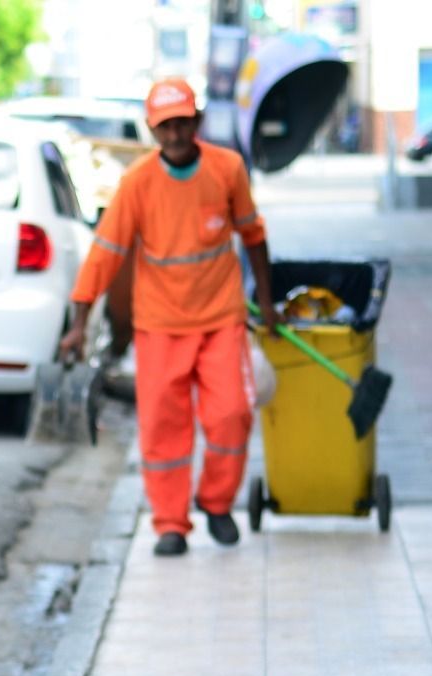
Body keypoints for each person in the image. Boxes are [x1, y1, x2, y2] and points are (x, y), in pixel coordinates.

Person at [59, 79, 280, 557]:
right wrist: (79, 321)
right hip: (159, 324)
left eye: (182, 123)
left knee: (231, 414)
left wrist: (268, 301)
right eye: (165, 127)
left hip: (221, 318)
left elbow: (253, 236)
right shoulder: (138, 182)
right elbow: (105, 254)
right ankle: (170, 525)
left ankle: (217, 504)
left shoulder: (227, 169)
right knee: (162, 425)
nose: (176, 134)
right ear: (153, 131)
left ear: (197, 122)